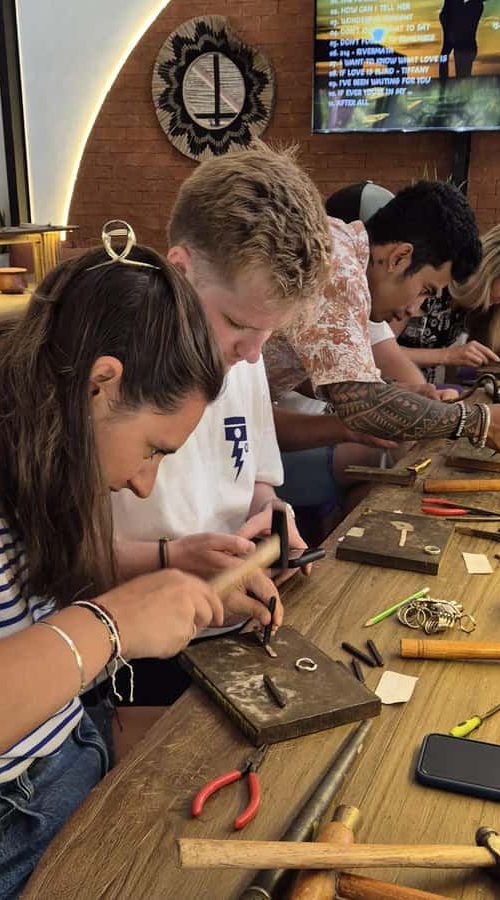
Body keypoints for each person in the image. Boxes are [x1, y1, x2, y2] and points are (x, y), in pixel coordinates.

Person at [0, 236, 238, 898]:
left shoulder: (14, 436)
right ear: (103, 384)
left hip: (70, 749)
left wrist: (172, 564)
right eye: (153, 450)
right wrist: (110, 625)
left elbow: (4, 578)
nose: (143, 486)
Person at [111, 144, 333, 707]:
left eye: (269, 333)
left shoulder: (242, 355)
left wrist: (268, 516)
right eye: (237, 323)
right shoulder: (110, 379)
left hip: (237, 625)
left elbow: (255, 476)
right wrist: (172, 558)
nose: (254, 354)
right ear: (181, 270)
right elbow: (59, 559)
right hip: (138, 651)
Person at [263, 181, 500, 486]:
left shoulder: (344, 256)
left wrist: (391, 390)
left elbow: (323, 380)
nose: (415, 309)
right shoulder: (339, 265)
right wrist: (478, 421)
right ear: (399, 257)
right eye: (425, 291)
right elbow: (360, 405)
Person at [394, 217, 500, 379]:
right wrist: (447, 356)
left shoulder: (480, 303)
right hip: (387, 390)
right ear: (487, 271)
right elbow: (374, 352)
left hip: (428, 391)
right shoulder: (433, 280)